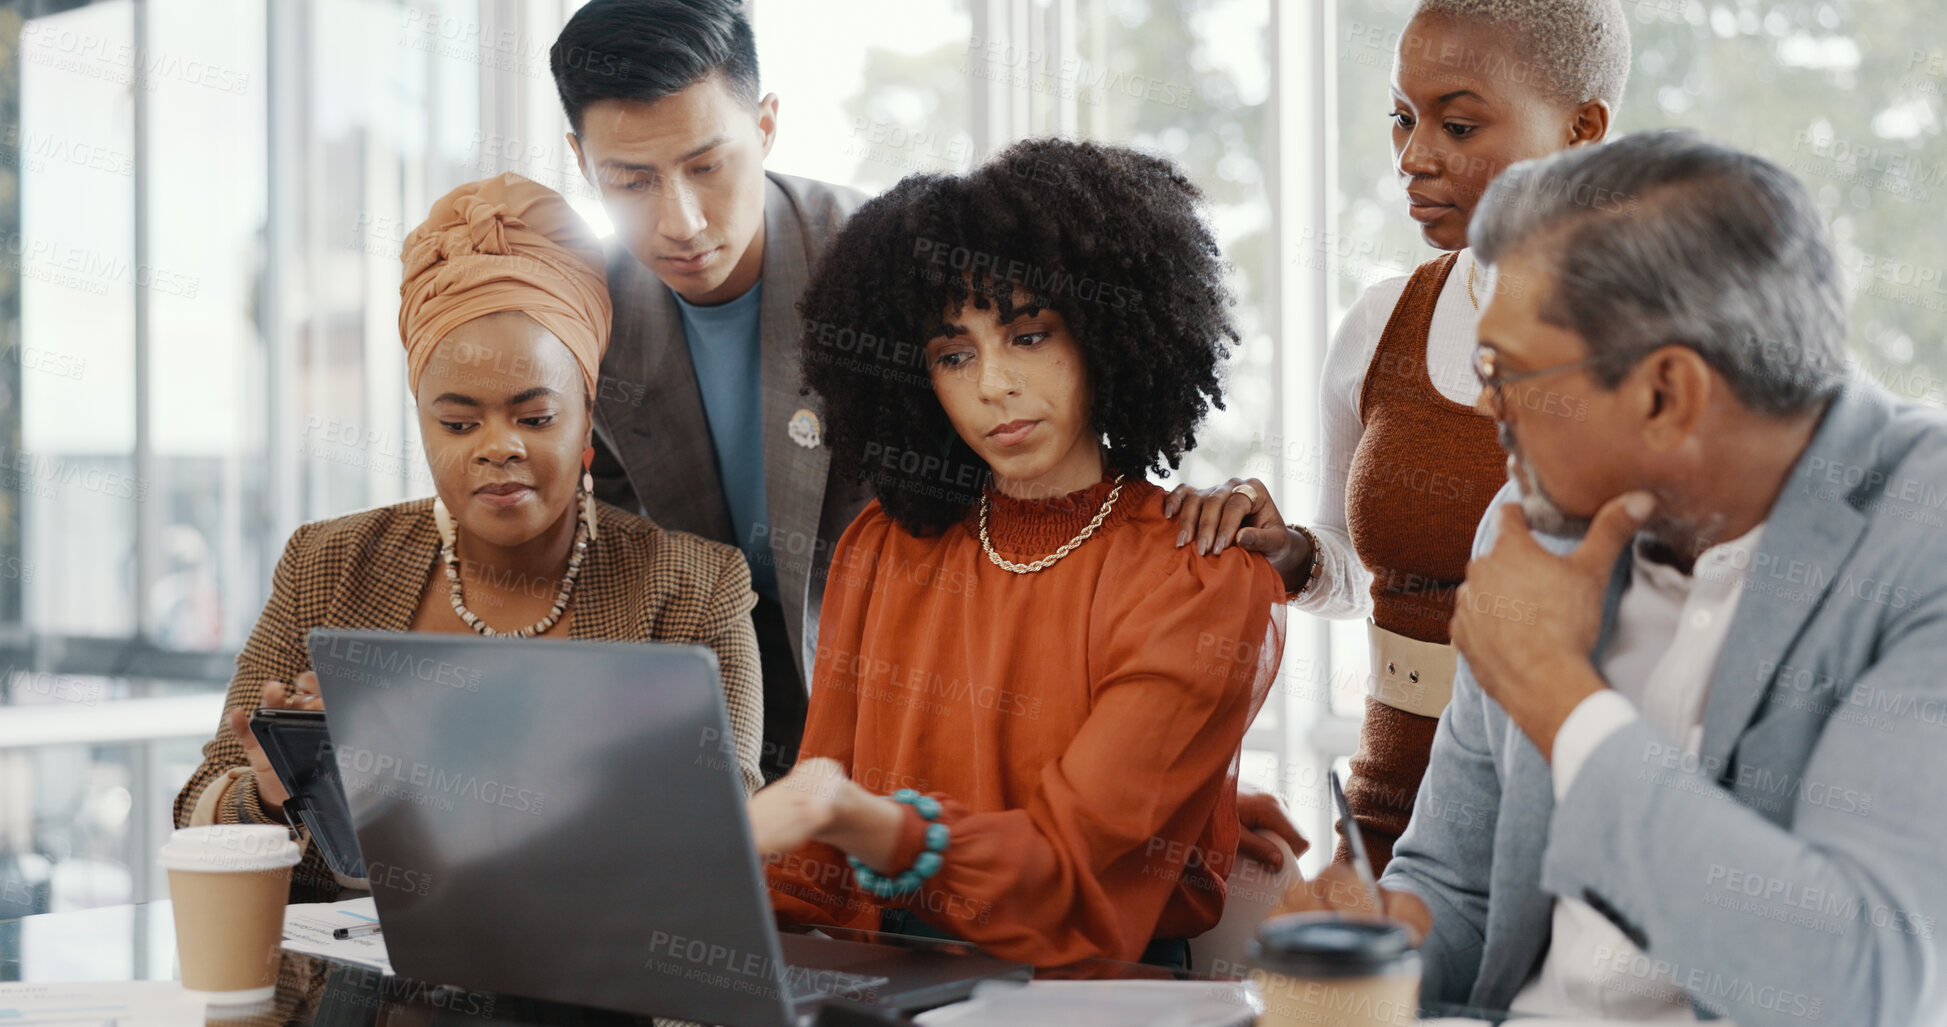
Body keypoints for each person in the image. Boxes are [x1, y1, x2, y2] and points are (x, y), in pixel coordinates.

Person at [1284, 131, 1947, 1023]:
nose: (1487, 405)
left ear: (1664, 395)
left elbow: (1856, 985)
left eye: (1505, 371)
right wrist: (1379, 945)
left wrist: (1563, 701)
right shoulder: (1530, 517)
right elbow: (1454, 884)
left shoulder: (1918, 539)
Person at [747, 139, 1287, 970]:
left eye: (1028, 335)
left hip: (1100, 995)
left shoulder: (1197, 572)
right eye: (953, 354)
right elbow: (811, 878)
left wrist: (852, 815)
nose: (992, 383)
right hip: (889, 981)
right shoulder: (886, 545)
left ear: (1108, 336)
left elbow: (1070, 874)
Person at [174, 173, 765, 900]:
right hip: (360, 1005)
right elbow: (197, 814)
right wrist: (269, 794)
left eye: (535, 417)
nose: (497, 447)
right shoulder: (328, 566)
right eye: (457, 423)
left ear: (588, 415)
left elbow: (721, 833)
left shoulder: (690, 587)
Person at [1168, 0, 1628, 872]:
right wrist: (1295, 554)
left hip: (1569, 836)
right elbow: (1356, 570)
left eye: (1457, 123)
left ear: (1580, 129)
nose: (1414, 157)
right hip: (1388, 819)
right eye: (1400, 118)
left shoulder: (1659, 346)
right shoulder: (1383, 321)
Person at [549, 0, 871, 782]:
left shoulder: (877, 265)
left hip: (899, 736)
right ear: (580, 161)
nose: (681, 222)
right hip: (710, 748)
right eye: (629, 181)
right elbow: (622, 556)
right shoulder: (590, 314)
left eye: (706, 165)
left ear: (763, 127)